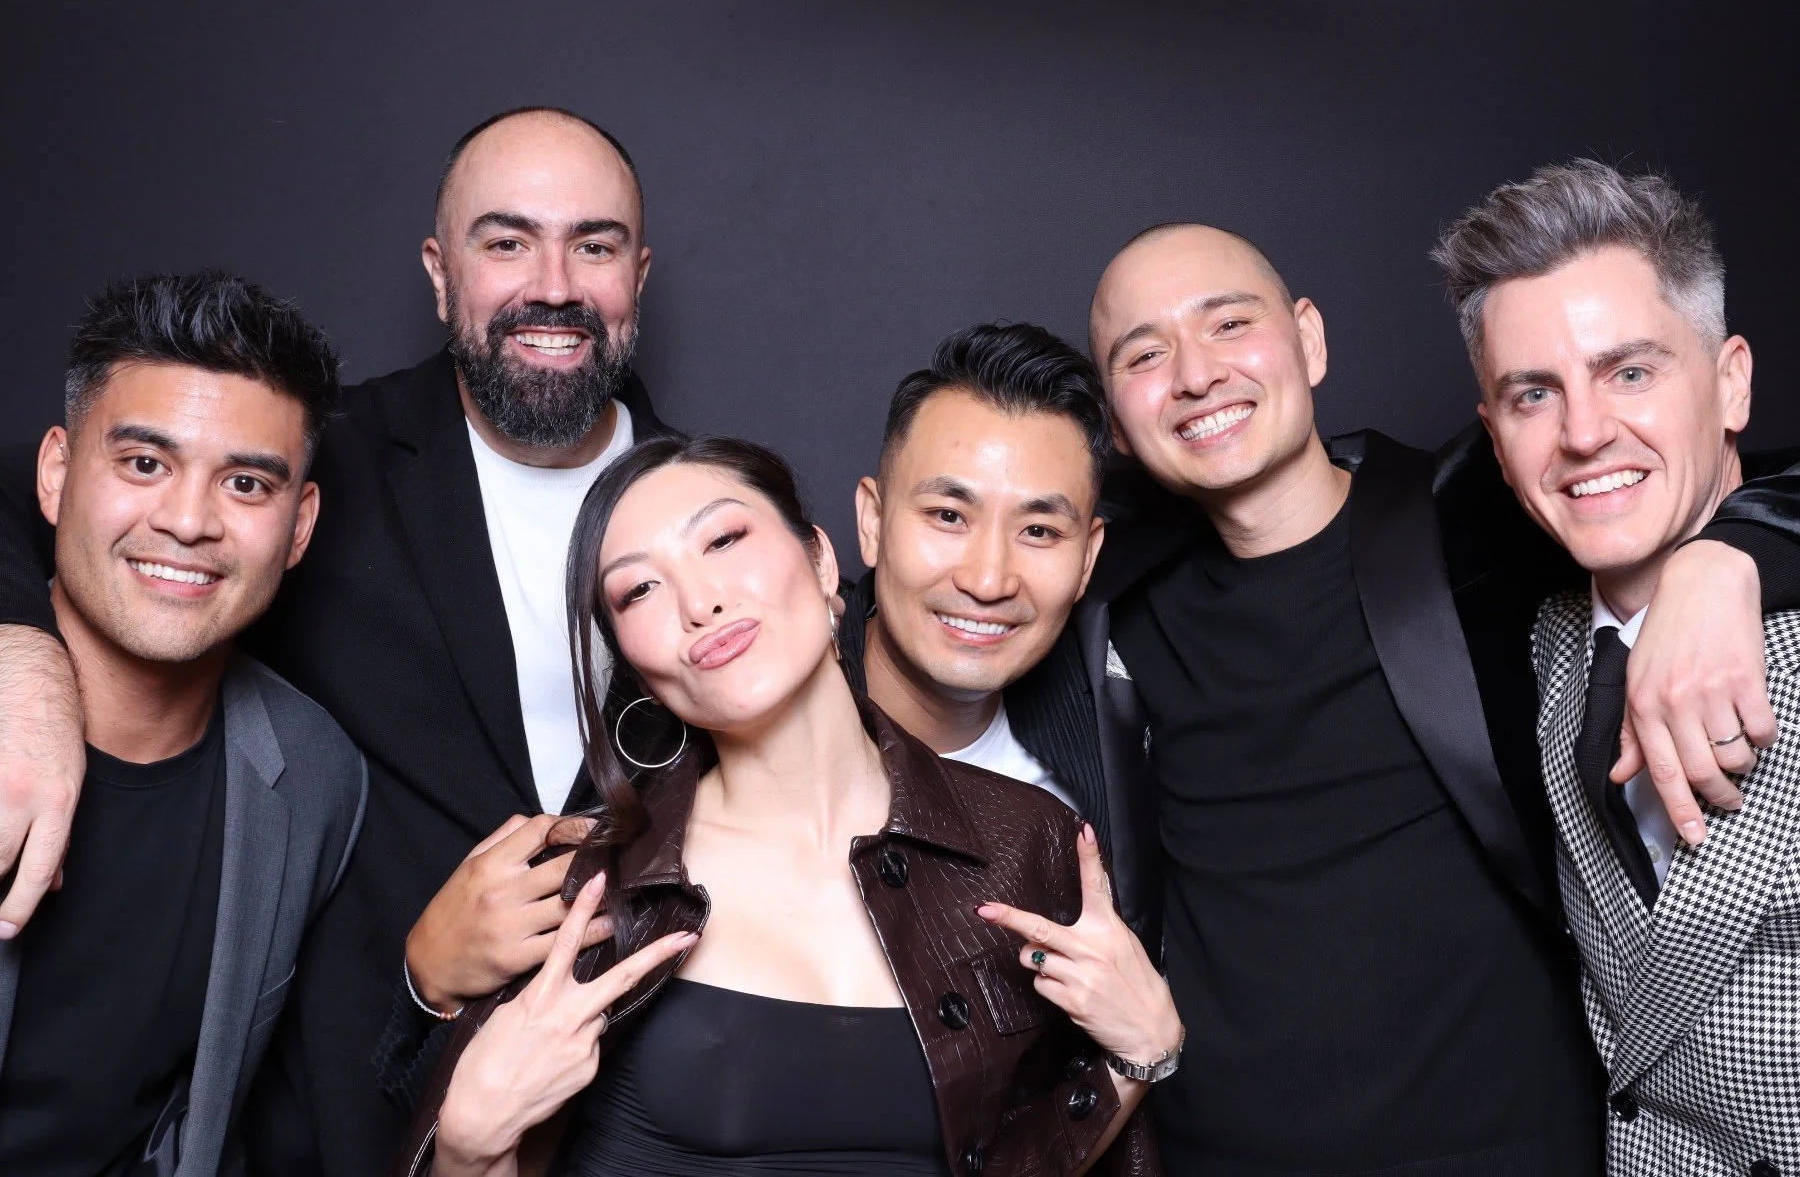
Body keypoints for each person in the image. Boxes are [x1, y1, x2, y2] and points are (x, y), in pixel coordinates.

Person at [0, 106, 673, 1176]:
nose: (553, 283)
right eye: (505, 241)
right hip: (353, 1129)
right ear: (439, 271)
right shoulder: (306, 449)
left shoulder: (724, 515)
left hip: (640, 1120)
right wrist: (22, 657)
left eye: (592, 245)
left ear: (638, 271)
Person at [1080, 221, 1800, 1173]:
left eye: (1227, 324)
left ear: (1310, 339)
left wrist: (1726, 559)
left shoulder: (1478, 515)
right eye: (1144, 354)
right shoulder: (1095, 590)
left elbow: (1687, 467)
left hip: (1521, 1143)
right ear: (1114, 418)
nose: (1196, 374)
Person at [397, 436, 1177, 1176]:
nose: (699, 602)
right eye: (639, 589)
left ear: (819, 557)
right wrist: (467, 1146)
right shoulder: (598, 888)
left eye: (724, 542)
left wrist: (1136, 1059)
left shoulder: (1024, 842)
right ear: (629, 657)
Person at [1434, 159, 1799, 1176]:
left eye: (1630, 371)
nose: (1585, 433)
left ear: (1732, 381)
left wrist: (1728, 556)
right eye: (1532, 395)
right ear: (1497, 443)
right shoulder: (1540, 637)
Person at [0, 272, 365, 1176]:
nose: (188, 522)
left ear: (299, 526)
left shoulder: (317, 779)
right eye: (144, 464)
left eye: (245, 483)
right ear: (54, 475)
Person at [836, 322, 1156, 940]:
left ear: (1087, 558)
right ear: (872, 522)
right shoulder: (740, 729)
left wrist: (1152, 1037)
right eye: (949, 516)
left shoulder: (1120, 741)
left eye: (1038, 531)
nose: (988, 580)